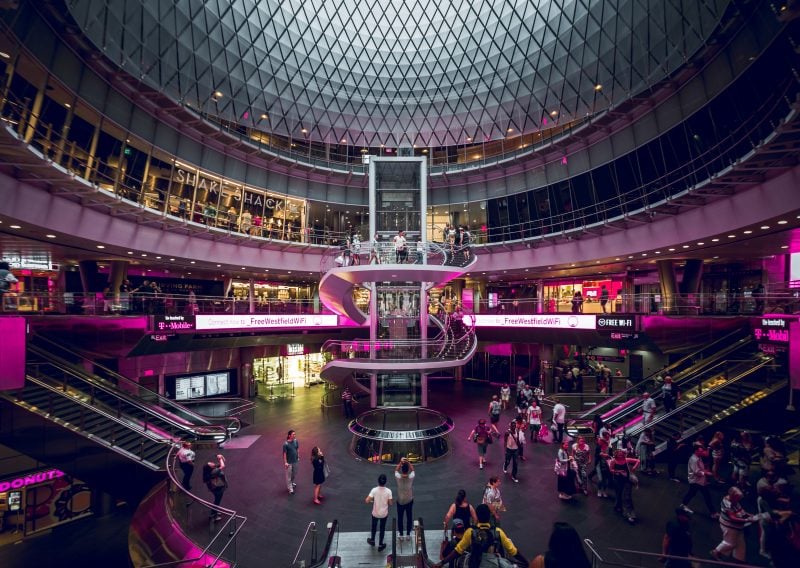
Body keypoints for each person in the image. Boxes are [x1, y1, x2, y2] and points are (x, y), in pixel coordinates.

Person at [434, 503, 527, 568]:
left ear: (477, 517)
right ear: (489, 517)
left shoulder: (470, 532)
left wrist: (442, 563)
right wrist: (526, 563)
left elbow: (457, 551)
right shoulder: (498, 532)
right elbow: (513, 552)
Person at [711, 486, 770, 562]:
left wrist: (749, 515)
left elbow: (740, 510)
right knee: (730, 543)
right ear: (733, 496)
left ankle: (738, 559)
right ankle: (715, 552)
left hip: (737, 526)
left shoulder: (735, 501)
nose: (739, 499)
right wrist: (745, 520)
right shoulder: (727, 503)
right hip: (729, 526)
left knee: (740, 543)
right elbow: (732, 517)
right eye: (738, 498)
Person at [680, 444, 717, 518]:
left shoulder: (698, 457)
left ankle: (683, 505)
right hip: (696, 481)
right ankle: (713, 513)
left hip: (698, 481)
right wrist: (706, 473)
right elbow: (696, 472)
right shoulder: (694, 459)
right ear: (696, 451)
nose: (702, 452)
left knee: (692, 493)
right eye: (701, 451)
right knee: (706, 496)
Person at [608, 448, 639, 524]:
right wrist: (618, 471)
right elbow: (611, 469)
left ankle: (630, 514)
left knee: (627, 497)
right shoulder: (613, 461)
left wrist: (634, 467)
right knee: (618, 495)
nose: (621, 455)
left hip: (626, 481)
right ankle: (618, 506)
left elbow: (638, 461)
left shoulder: (626, 459)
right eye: (619, 454)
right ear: (616, 455)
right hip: (617, 481)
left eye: (622, 453)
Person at [365, 473, 393, 552]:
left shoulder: (374, 490)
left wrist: (373, 500)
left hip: (375, 513)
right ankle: (381, 544)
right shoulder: (388, 491)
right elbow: (390, 503)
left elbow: (367, 500)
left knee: (374, 527)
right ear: (385, 482)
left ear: (378, 481)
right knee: (382, 528)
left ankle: (372, 540)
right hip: (384, 514)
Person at [394, 457, 415, 541]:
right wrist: (408, 462)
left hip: (400, 501)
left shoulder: (398, 477)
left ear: (402, 470)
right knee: (409, 517)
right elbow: (413, 470)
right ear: (407, 470)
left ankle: (401, 534)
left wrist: (400, 462)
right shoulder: (411, 477)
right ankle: (408, 534)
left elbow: (396, 470)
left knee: (400, 517)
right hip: (409, 500)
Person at [202, 454, 227, 521]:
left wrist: (221, 457)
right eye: (211, 464)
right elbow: (222, 466)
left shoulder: (211, 469)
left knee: (217, 500)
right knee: (217, 501)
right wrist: (219, 458)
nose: (212, 463)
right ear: (210, 467)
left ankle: (215, 511)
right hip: (217, 488)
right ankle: (213, 515)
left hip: (215, 487)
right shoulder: (213, 472)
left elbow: (223, 462)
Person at [283, 430, 299, 495]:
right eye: (293, 434)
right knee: (288, 476)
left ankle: (291, 483)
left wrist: (298, 456)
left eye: (295, 434)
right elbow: (284, 454)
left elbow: (297, 448)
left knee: (294, 473)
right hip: (289, 463)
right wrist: (285, 462)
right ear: (289, 436)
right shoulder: (285, 444)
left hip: (295, 461)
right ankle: (290, 489)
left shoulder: (296, 441)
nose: (294, 435)